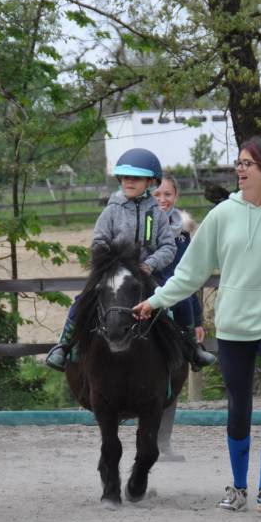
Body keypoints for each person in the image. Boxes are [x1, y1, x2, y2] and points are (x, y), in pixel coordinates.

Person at [132, 136, 261, 513]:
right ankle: (239, 488)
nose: (239, 169)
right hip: (233, 325)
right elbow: (189, 272)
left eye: (247, 163)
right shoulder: (222, 215)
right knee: (238, 405)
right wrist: (156, 301)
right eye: (239, 162)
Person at [45, 148, 176, 370]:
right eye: (125, 177)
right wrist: (110, 260)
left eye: (136, 178)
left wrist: (150, 264)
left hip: (145, 272)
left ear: (150, 181)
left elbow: (168, 246)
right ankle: (64, 346)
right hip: (113, 272)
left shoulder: (158, 214)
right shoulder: (111, 211)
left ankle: (187, 349)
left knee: (171, 307)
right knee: (83, 300)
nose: (129, 182)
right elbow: (98, 240)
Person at [153, 174, 216, 461]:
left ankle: (193, 350)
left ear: (176, 196)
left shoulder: (184, 231)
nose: (163, 200)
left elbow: (190, 276)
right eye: (158, 195)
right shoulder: (145, 223)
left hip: (176, 291)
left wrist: (198, 321)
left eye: (168, 194)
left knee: (176, 369)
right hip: (147, 290)